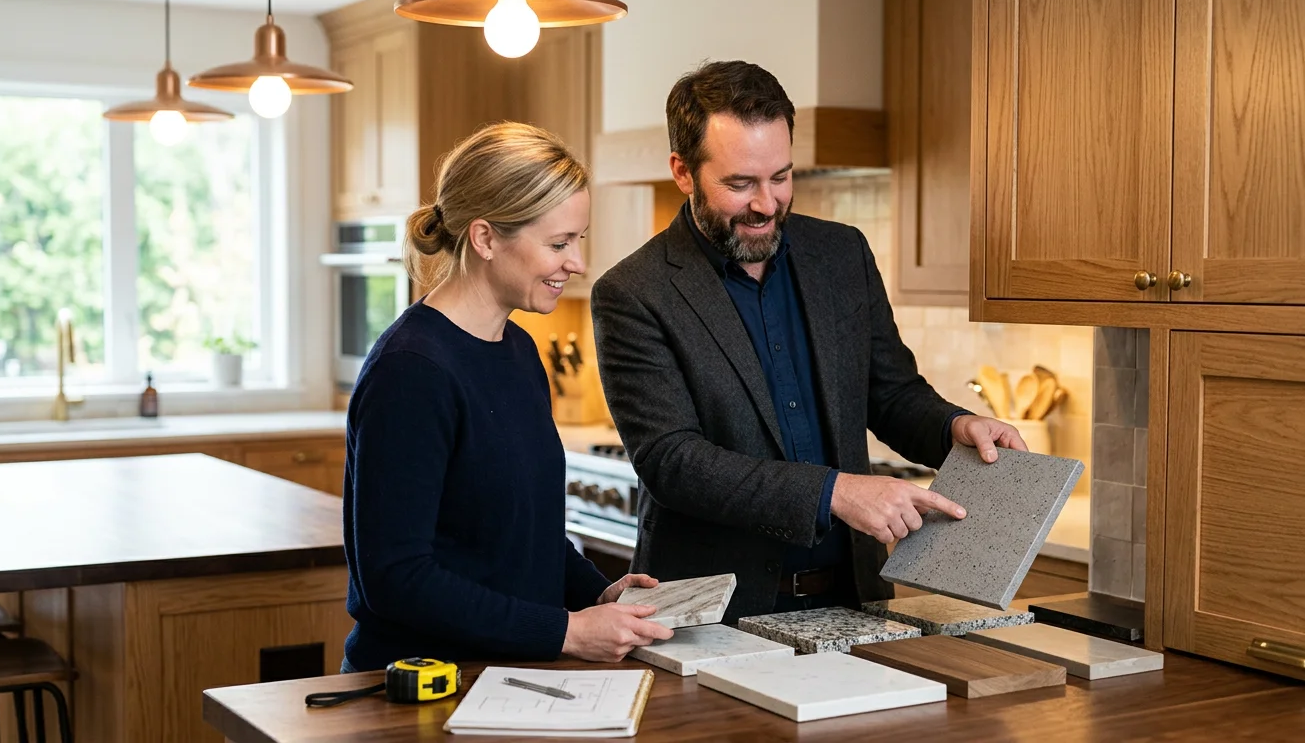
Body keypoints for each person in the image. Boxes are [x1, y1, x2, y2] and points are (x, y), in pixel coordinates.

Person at [591, 61, 1026, 620]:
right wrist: (835, 493)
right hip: (712, 611)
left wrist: (954, 426)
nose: (767, 204)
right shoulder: (633, 292)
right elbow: (674, 462)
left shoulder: (842, 255)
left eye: (781, 176)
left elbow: (890, 394)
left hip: (854, 595)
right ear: (683, 171)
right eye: (740, 184)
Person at [341, 122, 672, 673]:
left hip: (511, 675)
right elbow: (396, 580)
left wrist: (600, 595)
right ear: (486, 238)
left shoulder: (517, 349)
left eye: (578, 240)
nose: (577, 262)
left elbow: (527, 536)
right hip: (419, 689)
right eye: (558, 243)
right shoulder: (412, 371)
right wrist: (566, 631)